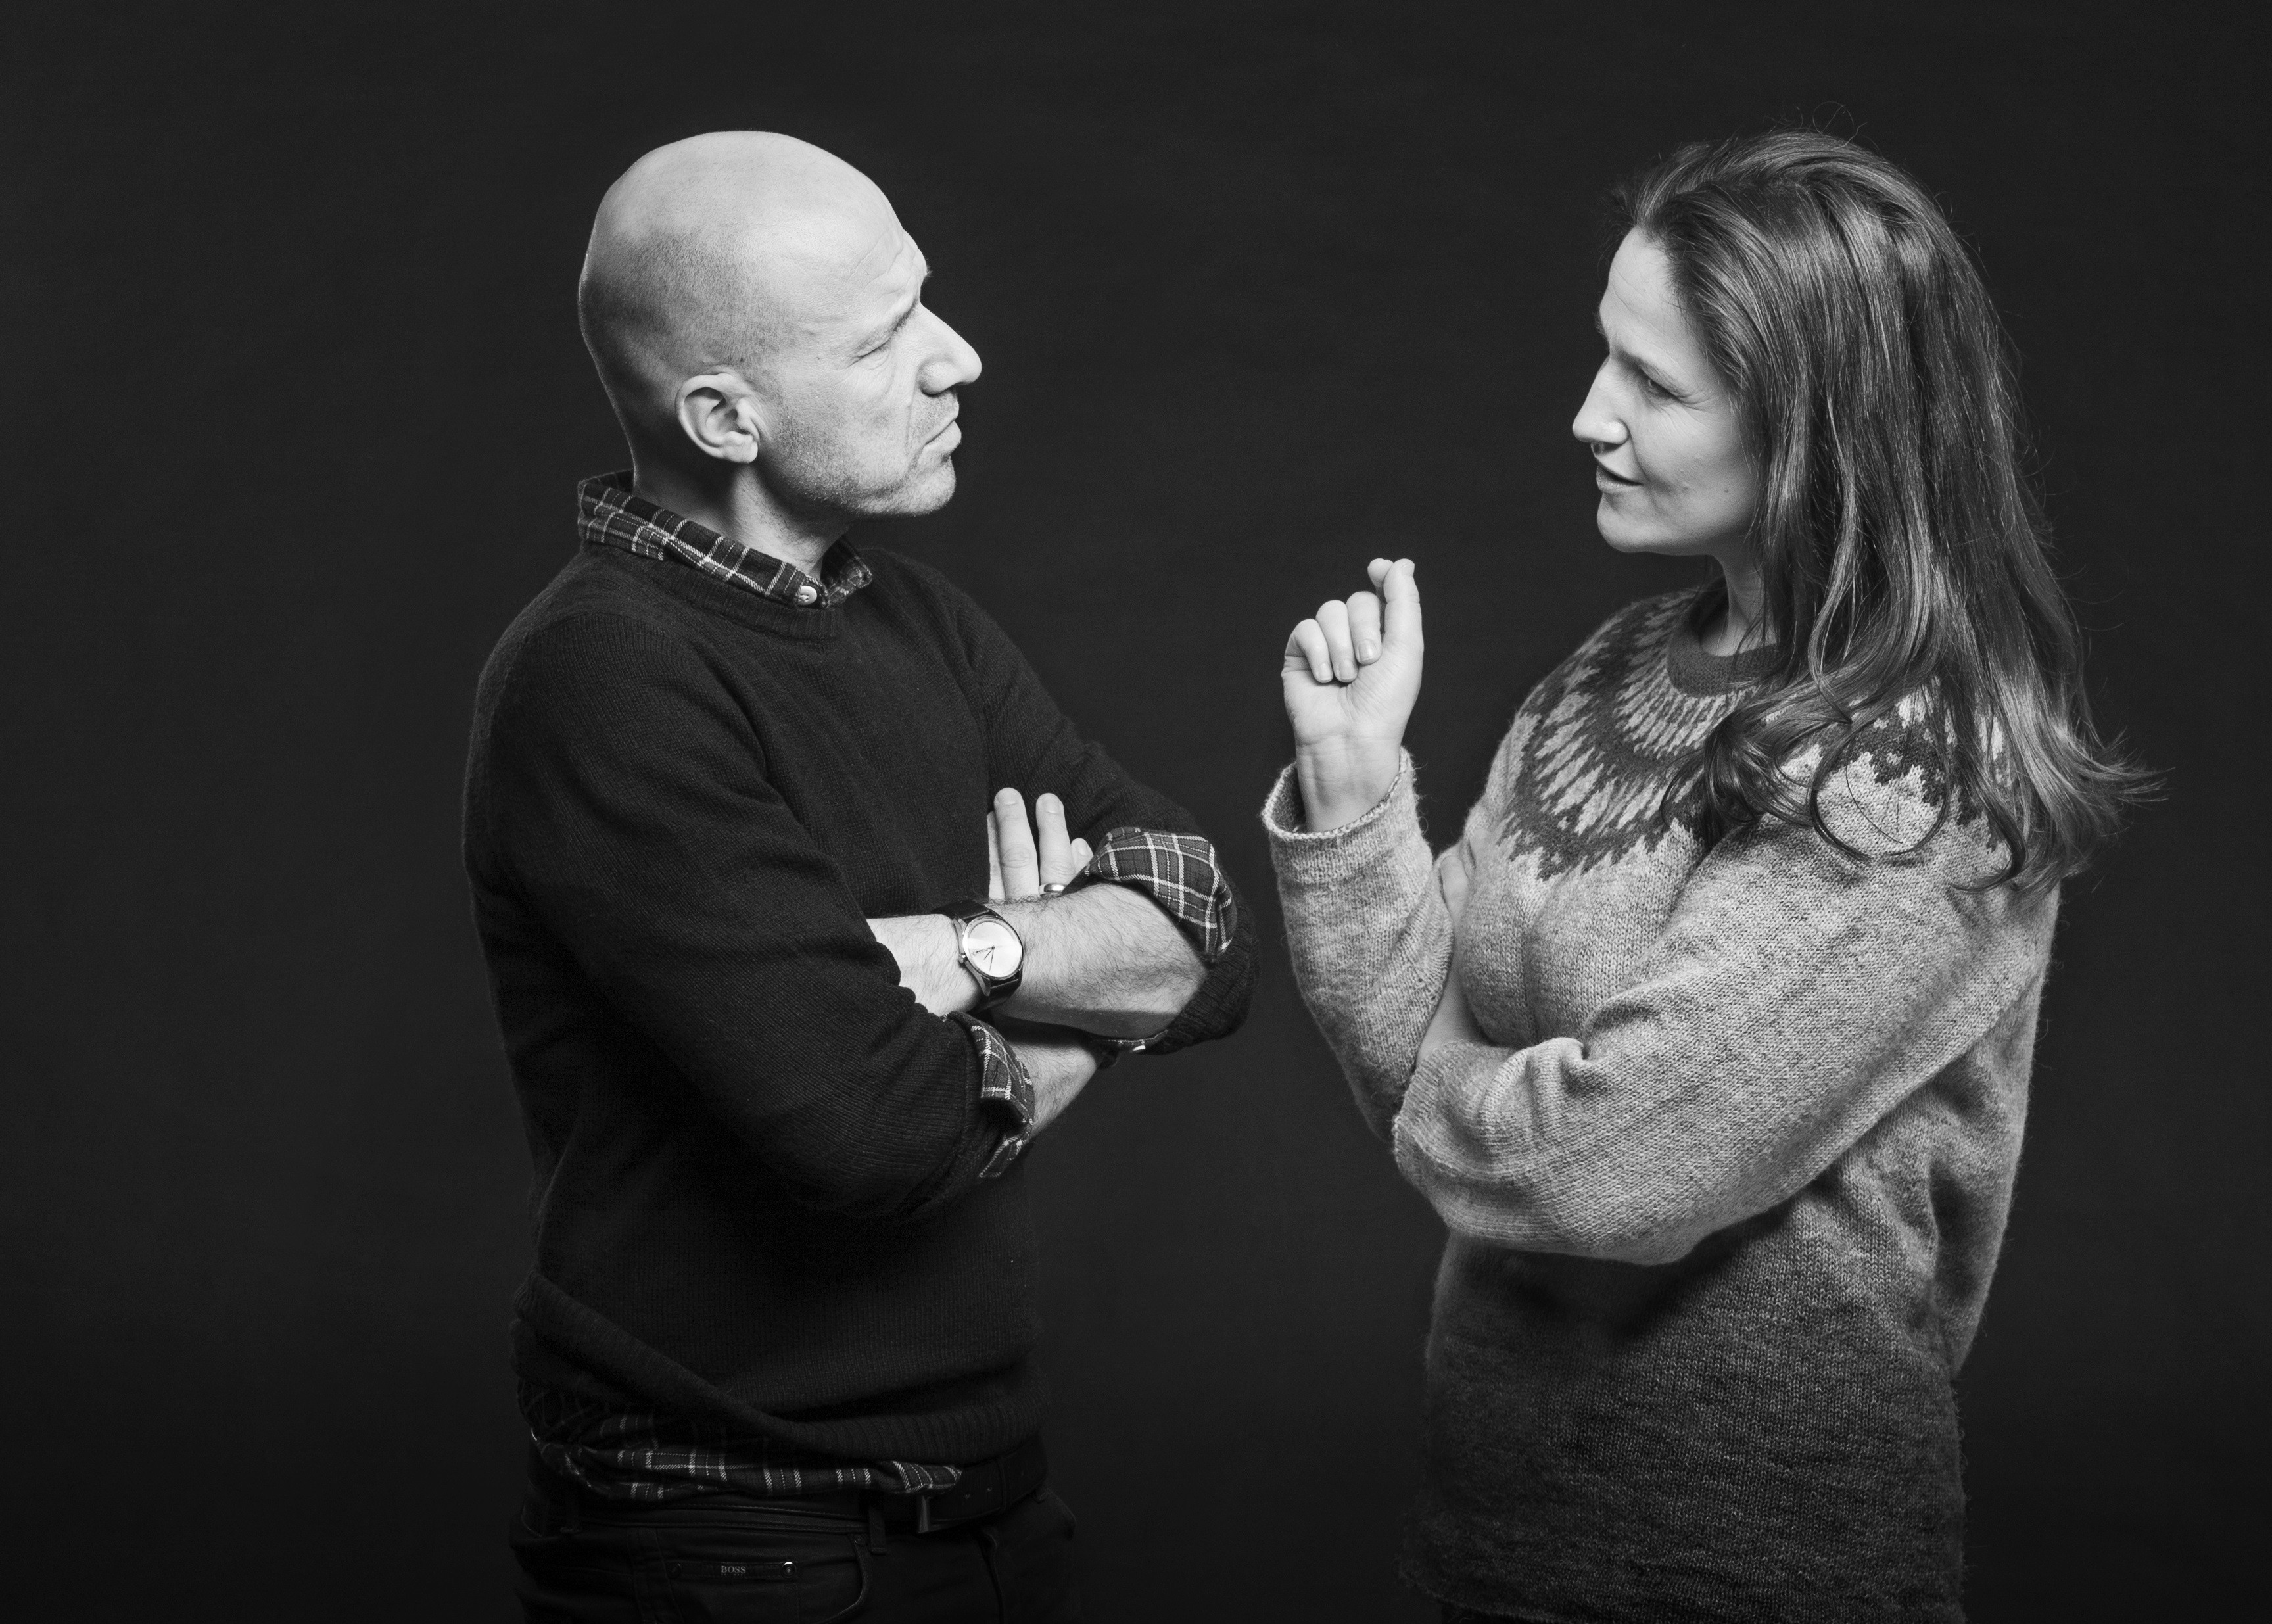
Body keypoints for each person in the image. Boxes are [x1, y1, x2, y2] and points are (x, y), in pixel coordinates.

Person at [1264, 131, 2144, 1622]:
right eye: (1606, 352)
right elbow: (1449, 1077)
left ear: (1821, 433)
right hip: (1488, 1537)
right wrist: (1355, 804)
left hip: (1752, 1569)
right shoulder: (1606, 675)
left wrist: (1485, 1107)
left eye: (1656, 386)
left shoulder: (1918, 769)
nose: (1587, 414)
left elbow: (1604, 1173)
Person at [464, 131, 1254, 1622]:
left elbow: (1205, 928)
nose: (960, 358)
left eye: (925, 301)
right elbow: (879, 1136)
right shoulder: (603, 677)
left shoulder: (917, 622)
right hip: (736, 1547)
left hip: (991, 1508)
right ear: (726, 415)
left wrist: (972, 952)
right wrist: (1094, 1004)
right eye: (885, 339)